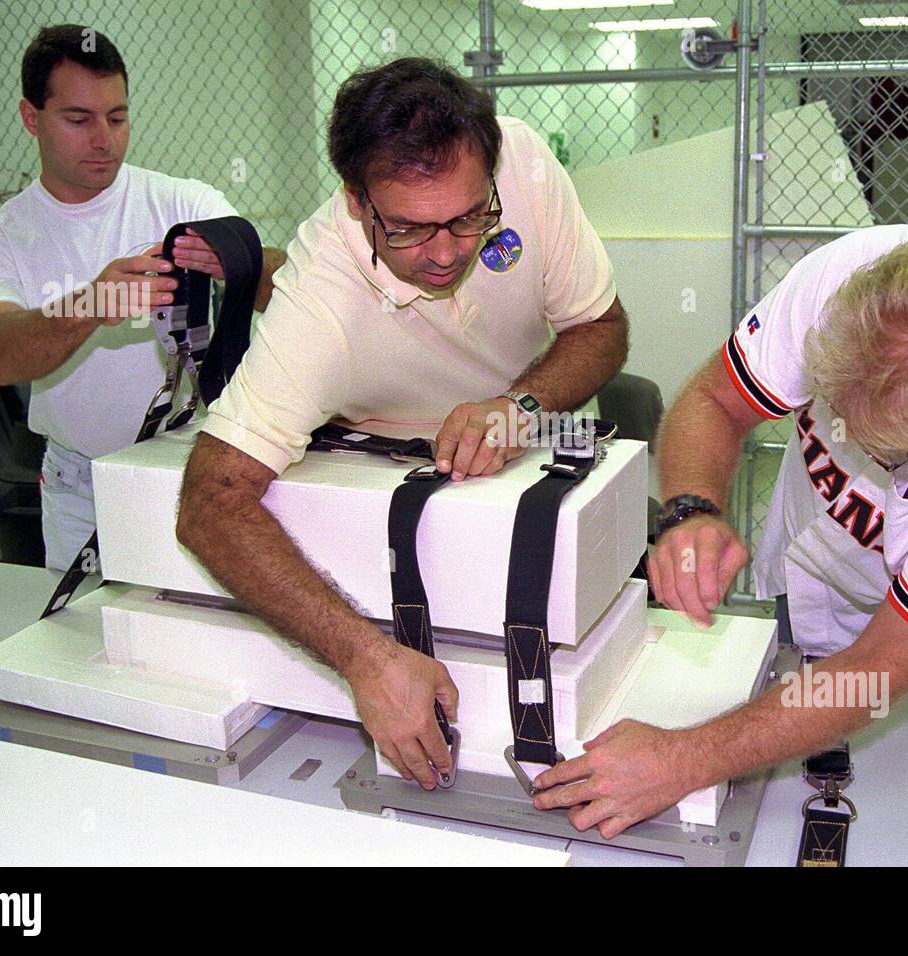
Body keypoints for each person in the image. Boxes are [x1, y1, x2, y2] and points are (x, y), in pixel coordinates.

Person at [531, 225, 908, 838]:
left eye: (874, 444)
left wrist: (682, 759)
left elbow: (877, 668)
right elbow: (717, 402)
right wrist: (691, 511)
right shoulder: (859, 281)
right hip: (804, 585)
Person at [176, 58, 628, 791]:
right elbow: (209, 500)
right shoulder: (320, 299)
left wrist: (520, 407)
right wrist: (366, 659)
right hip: (394, 509)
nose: (447, 252)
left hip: (538, 472)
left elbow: (600, 328)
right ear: (358, 202)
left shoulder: (528, 170)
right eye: (412, 229)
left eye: (467, 217)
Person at [0, 24, 287, 571]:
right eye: (79, 120)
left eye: (117, 117)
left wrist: (242, 260)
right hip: (79, 489)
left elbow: (292, 287)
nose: (104, 139)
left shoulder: (182, 199)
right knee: (84, 645)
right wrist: (90, 306)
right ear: (31, 118)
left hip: (190, 470)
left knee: (197, 638)